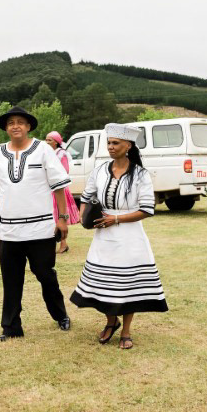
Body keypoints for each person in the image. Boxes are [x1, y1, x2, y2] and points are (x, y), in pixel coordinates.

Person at [70, 123, 168, 350]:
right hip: (103, 236)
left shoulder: (140, 175)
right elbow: (86, 196)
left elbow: (147, 209)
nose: (111, 147)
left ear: (128, 146)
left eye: (116, 143)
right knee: (105, 282)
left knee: (127, 285)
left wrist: (115, 219)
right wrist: (85, 217)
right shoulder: (99, 171)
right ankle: (111, 321)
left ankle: (126, 331)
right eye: (109, 143)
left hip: (130, 236)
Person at [0, 106, 72, 341]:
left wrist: (62, 219)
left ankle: (60, 315)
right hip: (10, 230)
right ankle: (11, 327)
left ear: (28, 126)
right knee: (11, 280)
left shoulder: (42, 150)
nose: (15, 126)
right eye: (11, 122)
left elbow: (59, 187)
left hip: (40, 229)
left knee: (45, 275)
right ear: (6, 128)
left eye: (20, 122)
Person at [44, 131, 80, 254]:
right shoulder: (48, 153)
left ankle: (63, 243)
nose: (47, 142)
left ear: (56, 142)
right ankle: (58, 243)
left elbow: (65, 171)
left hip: (59, 189)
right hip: (49, 188)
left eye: (49, 140)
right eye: (46, 140)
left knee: (58, 215)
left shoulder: (61, 154)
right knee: (52, 217)